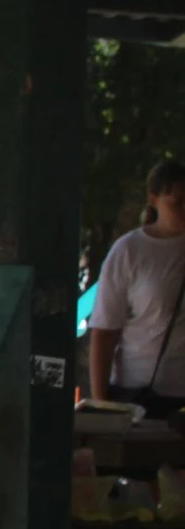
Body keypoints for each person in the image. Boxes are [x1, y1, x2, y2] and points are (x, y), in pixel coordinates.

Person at [88, 160, 185, 415]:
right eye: (178, 203)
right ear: (154, 200)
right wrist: (103, 406)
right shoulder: (129, 251)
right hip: (140, 394)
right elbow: (104, 331)